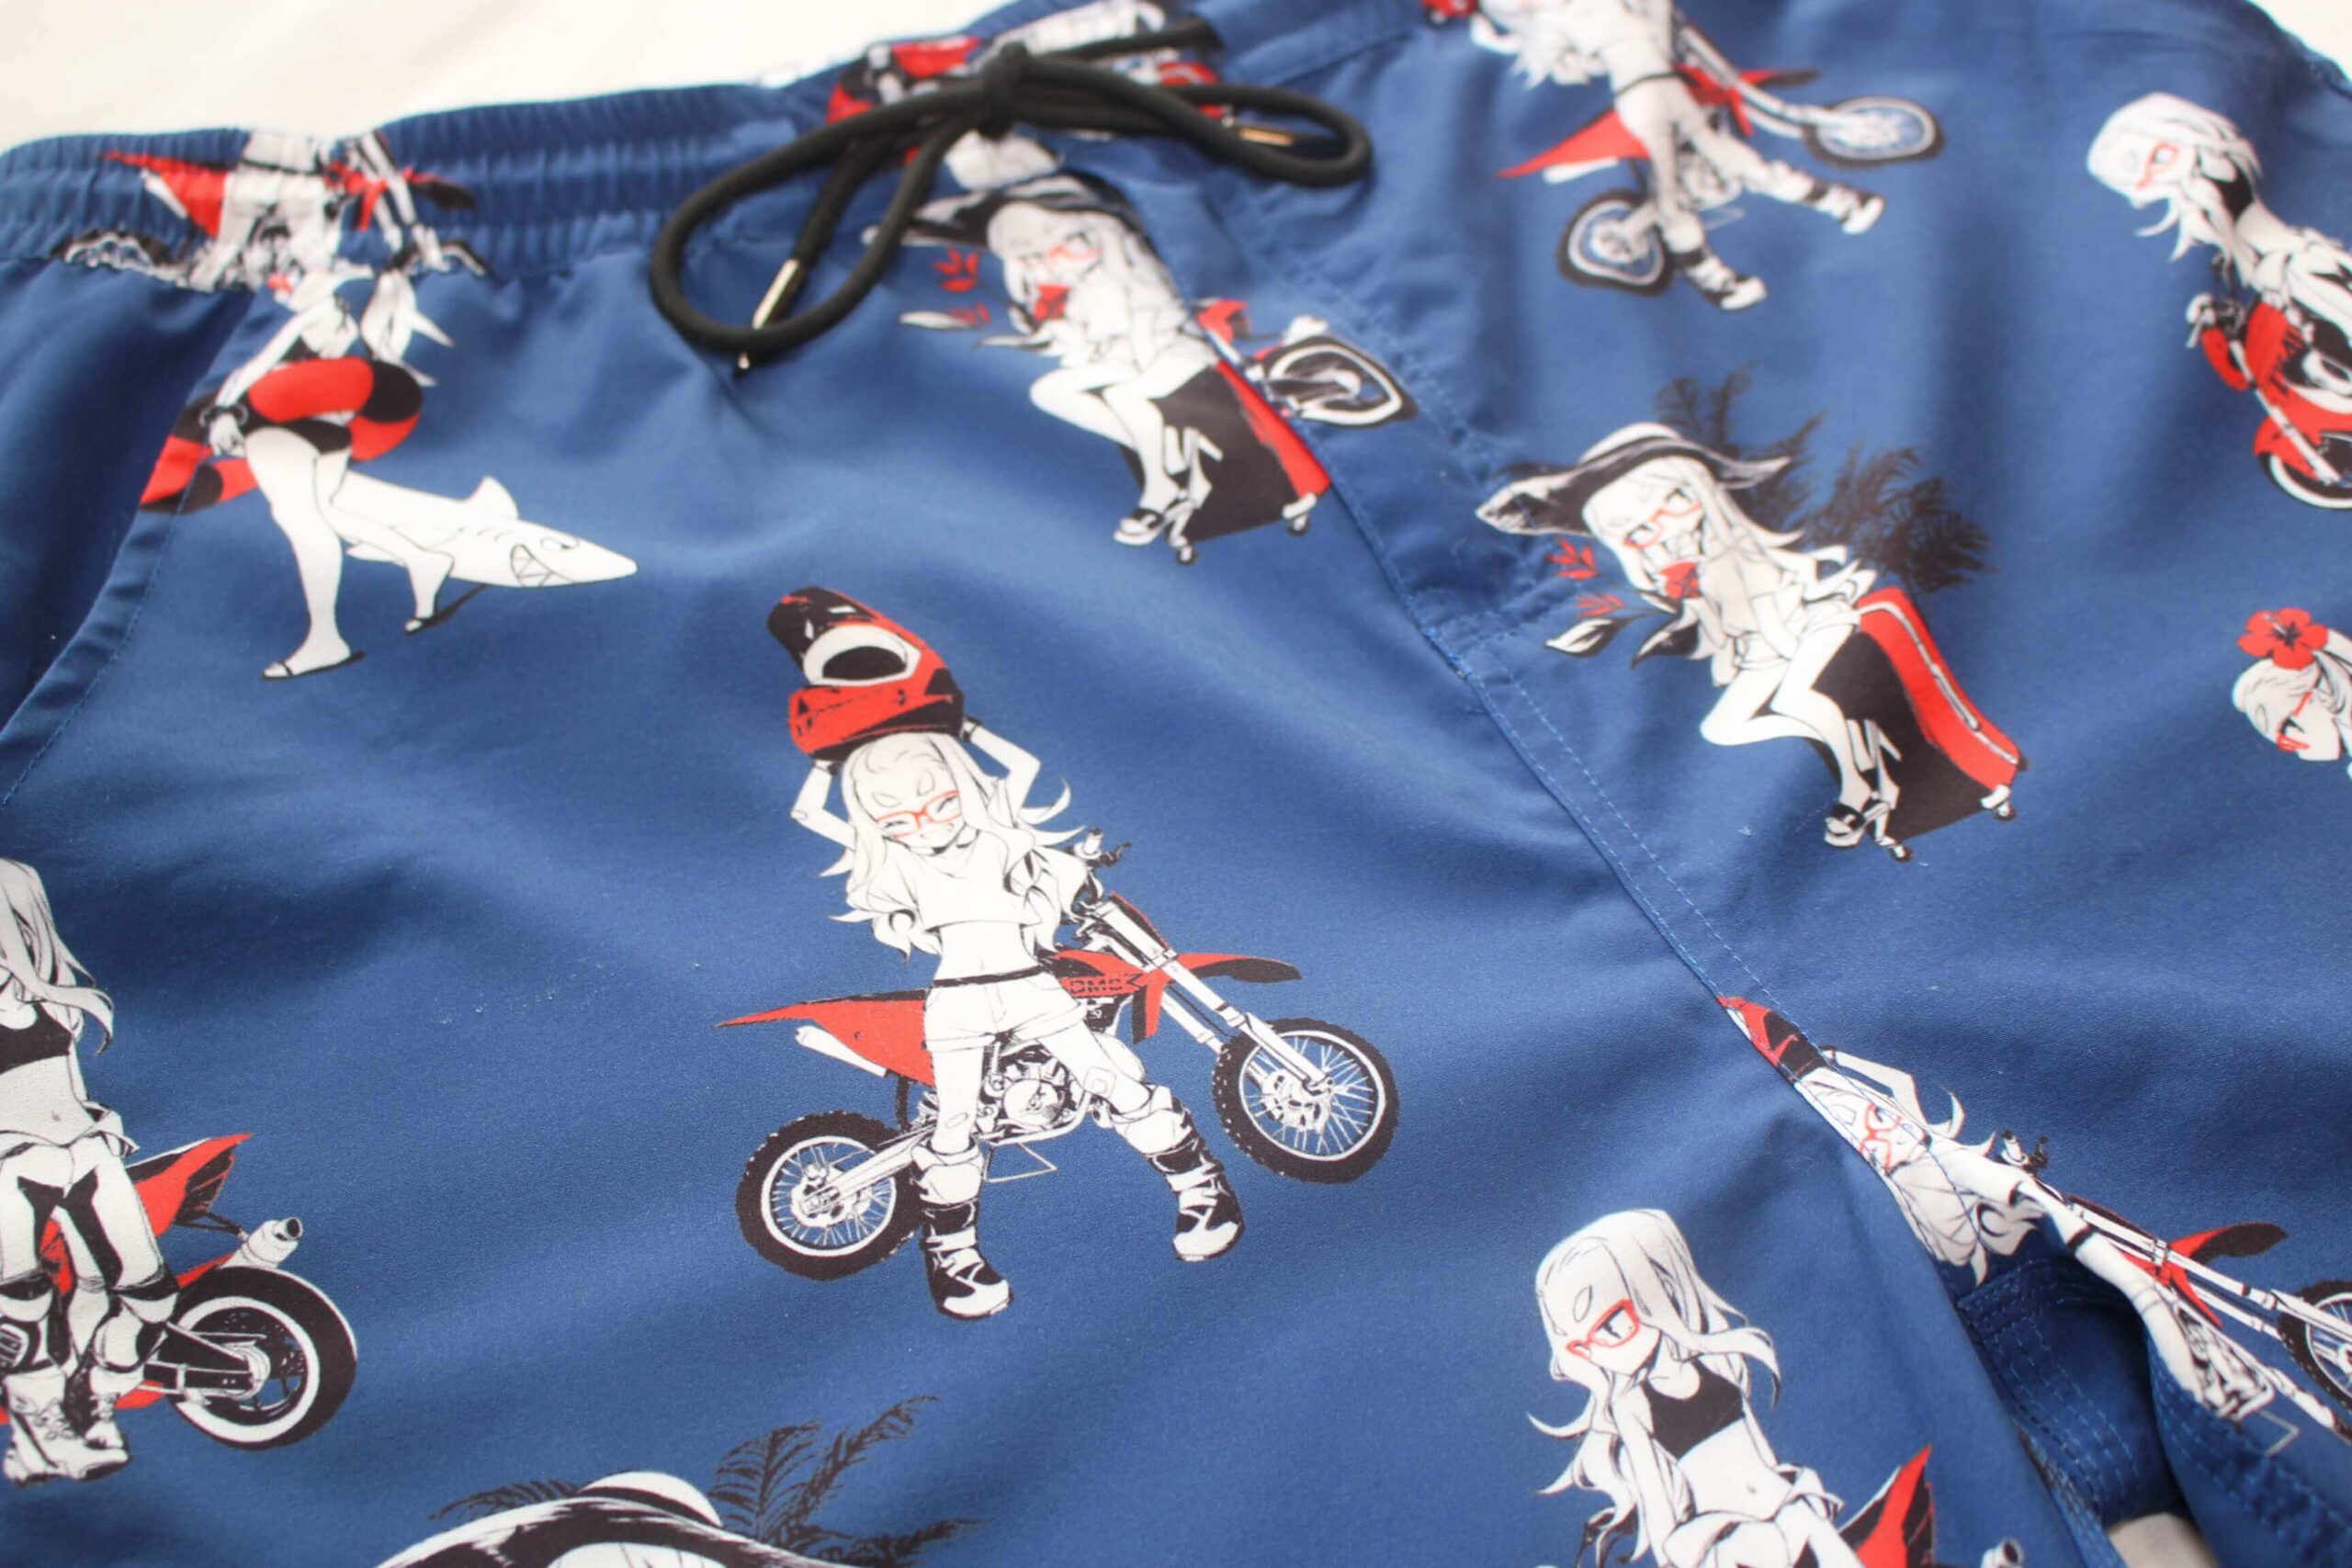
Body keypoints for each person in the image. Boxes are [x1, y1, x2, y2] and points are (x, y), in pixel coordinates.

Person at [777, 592, 1241, 1318]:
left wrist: (961, 725)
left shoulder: (1006, 844)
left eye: (937, 802)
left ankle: (1201, 1191)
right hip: (959, 1001)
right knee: (955, 1126)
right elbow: (809, 812)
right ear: (876, 822)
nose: (923, 824)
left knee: (1115, 1078)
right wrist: (831, 756)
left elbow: (1019, 775)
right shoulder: (896, 866)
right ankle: (955, 1258)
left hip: (1029, 985)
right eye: (896, 817)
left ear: (963, 785)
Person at [0, 860, 175, 1486]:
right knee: (20, 1305)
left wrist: (96, 1124)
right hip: (11, 1167)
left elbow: (65, 1081)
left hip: (83, 1150)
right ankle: (42, 1429)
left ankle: (94, 1397)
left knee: (152, 1294)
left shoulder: (54, 1002)